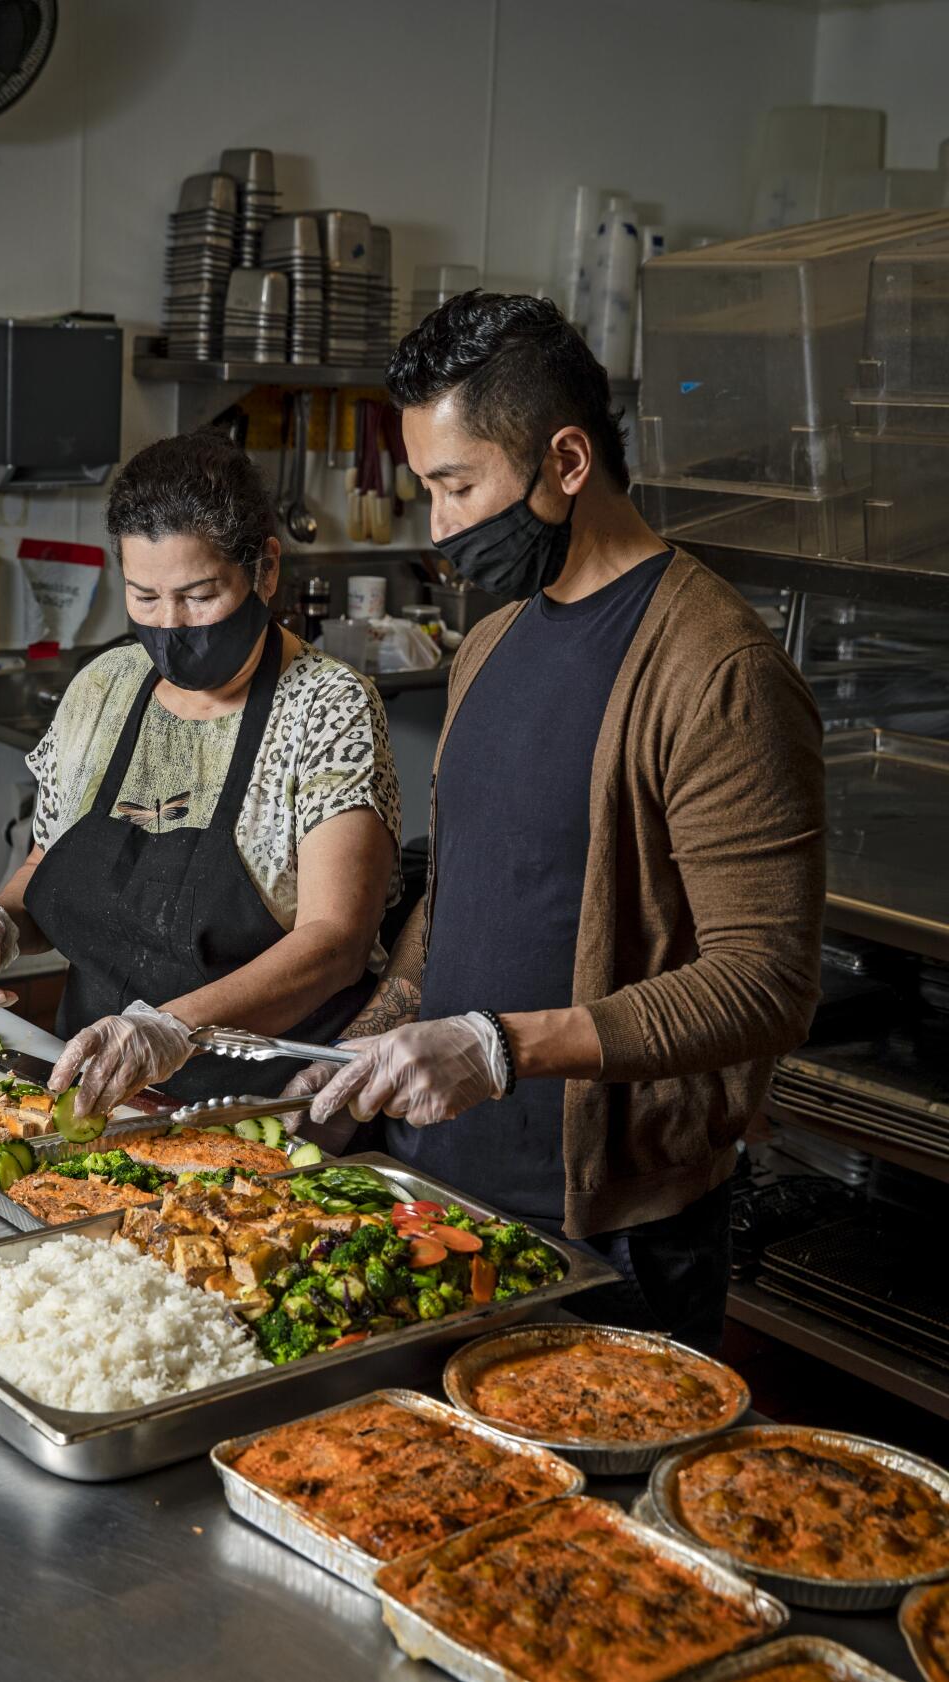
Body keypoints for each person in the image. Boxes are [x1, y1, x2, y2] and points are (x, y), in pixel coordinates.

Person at [287, 293, 826, 1352]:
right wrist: (375, 1038)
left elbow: (765, 980)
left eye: (456, 485)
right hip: (429, 1188)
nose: (439, 526)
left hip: (609, 1237)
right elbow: (465, 891)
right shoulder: (490, 646)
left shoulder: (717, 668)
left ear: (566, 460)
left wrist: (502, 1045)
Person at [0, 432, 401, 1115]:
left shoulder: (328, 708)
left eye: (199, 594)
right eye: (145, 598)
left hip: (261, 1109)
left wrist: (172, 1029)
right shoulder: (104, 688)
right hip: (96, 1093)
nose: (171, 626)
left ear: (264, 571)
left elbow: (337, 942)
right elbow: (50, 864)